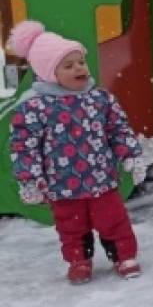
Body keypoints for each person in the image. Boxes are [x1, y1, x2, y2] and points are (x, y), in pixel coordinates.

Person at [7, 21, 145, 283]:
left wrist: (130, 155)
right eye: (68, 66)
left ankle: (124, 256)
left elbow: (118, 129)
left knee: (114, 221)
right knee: (71, 228)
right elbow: (24, 146)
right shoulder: (35, 108)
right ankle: (79, 261)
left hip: (101, 180)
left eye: (80, 61)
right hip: (62, 185)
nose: (79, 68)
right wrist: (29, 179)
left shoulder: (100, 99)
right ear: (49, 74)